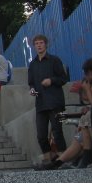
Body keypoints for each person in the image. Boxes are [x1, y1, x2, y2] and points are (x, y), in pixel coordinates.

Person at [36, 58, 92, 170]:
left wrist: (87, 90)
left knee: (77, 129)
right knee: (78, 137)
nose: (85, 77)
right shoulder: (34, 66)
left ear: (91, 73)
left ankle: (76, 161)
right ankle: (57, 163)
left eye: (86, 74)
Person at [28, 34, 68, 162]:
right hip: (41, 103)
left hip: (55, 102)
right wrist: (32, 90)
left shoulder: (54, 60)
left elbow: (63, 78)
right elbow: (31, 83)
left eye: (41, 43)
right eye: (36, 43)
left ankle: (63, 158)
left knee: (57, 131)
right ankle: (48, 157)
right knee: (41, 135)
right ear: (34, 46)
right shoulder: (32, 64)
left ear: (46, 44)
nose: (39, 45)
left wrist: (51, 80)